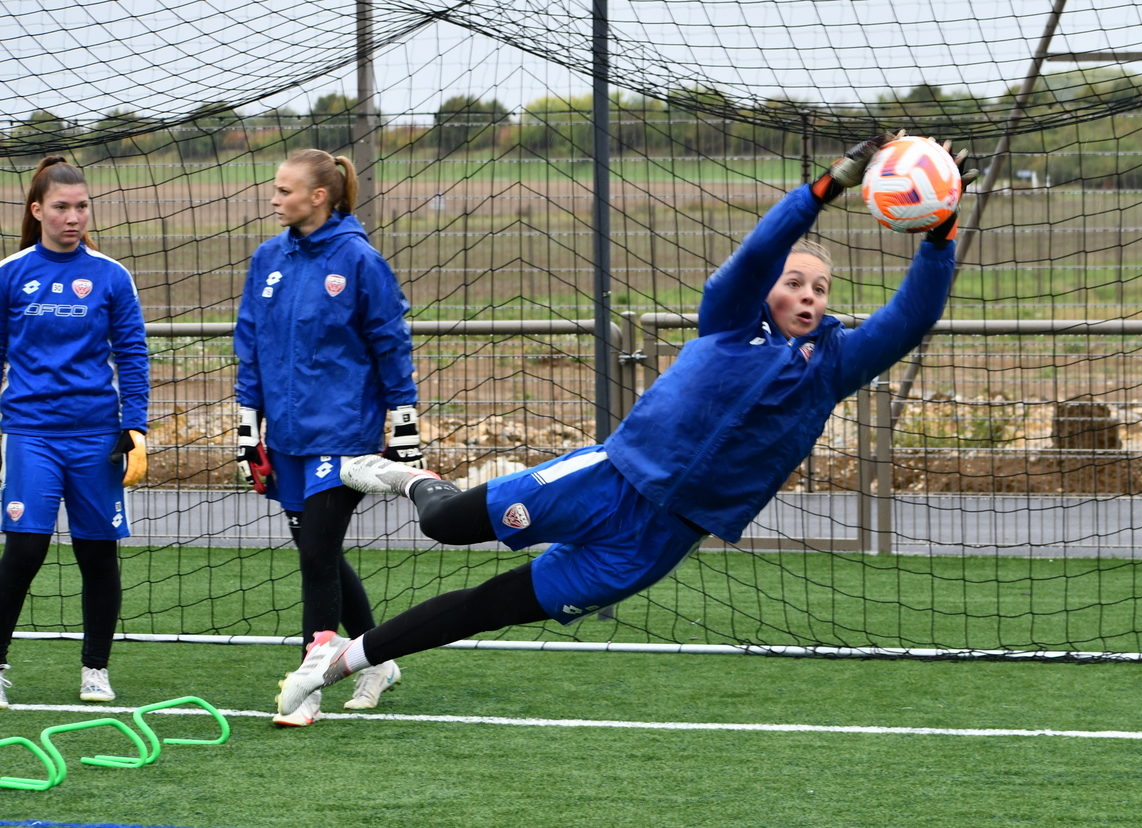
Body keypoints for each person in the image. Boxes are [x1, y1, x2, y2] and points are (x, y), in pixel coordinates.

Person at [275, 134, 978, 716]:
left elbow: (910, 317)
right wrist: (823, 190)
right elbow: (761, 251)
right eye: (795, 282)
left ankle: (338, 666)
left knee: (491, 606)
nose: (807, 294)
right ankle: (410, 480)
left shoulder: (833, 365)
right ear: (768, 291)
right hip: (608, 480)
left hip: (656, 542)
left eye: (819, 288)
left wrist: (941, 230)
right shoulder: (730, 319)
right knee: (445, 525)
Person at [235, 148, 426, 727]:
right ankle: (377, 658)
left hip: (342, 434)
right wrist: (249, 427)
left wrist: (405, 421)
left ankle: (307, 688)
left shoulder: (360, 260)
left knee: (316, 554)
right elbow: (250, 342)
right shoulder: (268, 257)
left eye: (285, 190)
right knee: (318, 552)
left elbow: (390, 342)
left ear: (319, 196)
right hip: (285, 437)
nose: (275, 199)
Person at [0, 156, 149, 708]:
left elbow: (133, 353)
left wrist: (134, 426)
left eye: (81, 206)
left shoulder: (111, 275)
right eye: (61, 207)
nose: (73, 217)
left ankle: (95, 670)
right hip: (30, 433)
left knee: (97, 555)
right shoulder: (10, 273)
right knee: (24, 550)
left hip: (95, 436)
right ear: (38, 210)